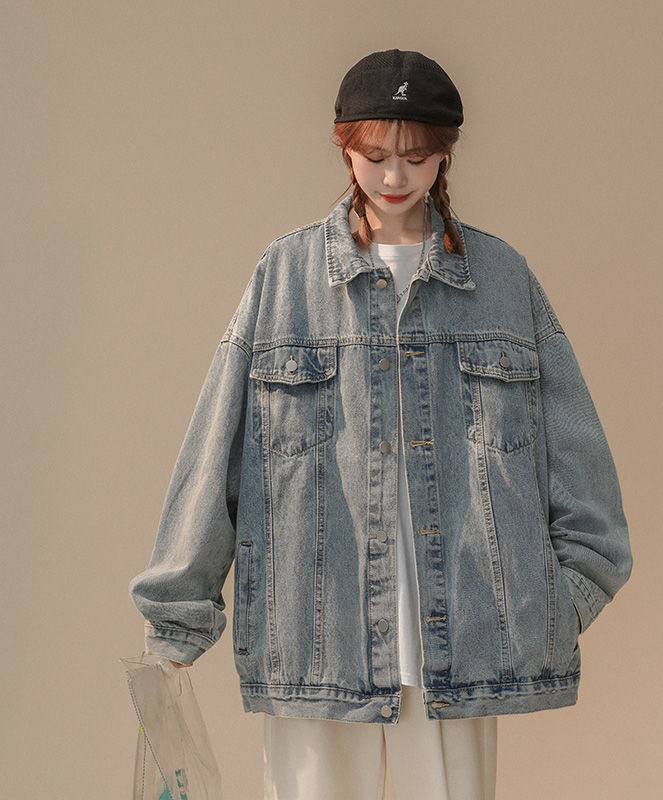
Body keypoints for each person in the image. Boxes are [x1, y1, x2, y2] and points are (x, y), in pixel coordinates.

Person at [128, 48, 633, 800]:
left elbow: (582, 471)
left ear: (446, 153)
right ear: (345, 148)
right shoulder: (285, 278)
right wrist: (176, 621)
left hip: (464, 649)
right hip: (316, 642)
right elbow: (216, 453)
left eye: (417, 157)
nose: (395, 176)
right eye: (375, 156)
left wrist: (545, 610)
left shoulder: (502, 281)